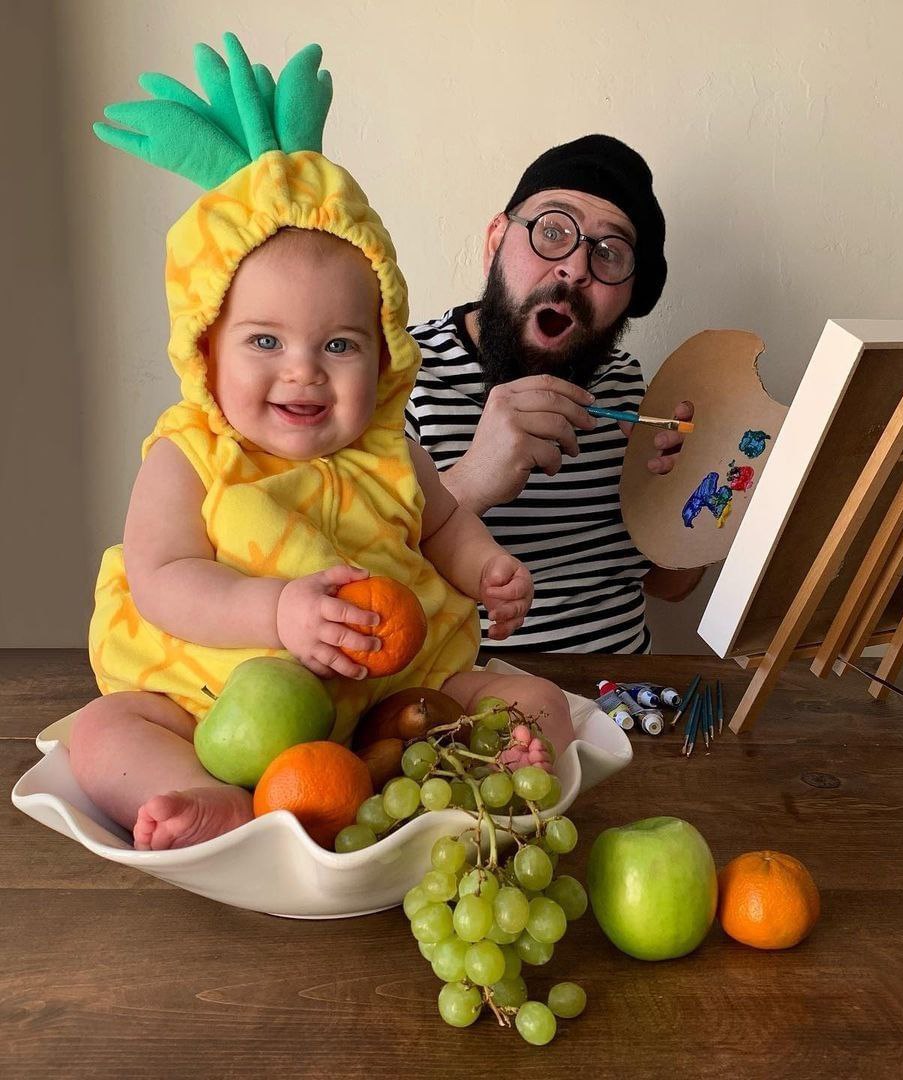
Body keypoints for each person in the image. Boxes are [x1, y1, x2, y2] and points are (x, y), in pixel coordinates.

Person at [68, 35, 570, 852]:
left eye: (339, 344)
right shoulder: (191, 454)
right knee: (101, 732)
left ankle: (481, 774)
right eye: (265, 341)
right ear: (207, 347)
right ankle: (206, 796)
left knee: (537, 702)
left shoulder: (390, 450)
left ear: (384, 353)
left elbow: (443, 523)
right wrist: (274, 611)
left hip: (396, 711)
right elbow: (160, 578)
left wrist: (486, 568)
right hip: (217, 706)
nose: (302, 371)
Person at [407, 134, 705, 653]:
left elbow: (670, 587)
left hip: (624, 695)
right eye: (552, 231)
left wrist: (689, 495)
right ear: (496, 241)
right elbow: (341, 585)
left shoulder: (627, 386)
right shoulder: (393, 377)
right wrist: (470, 482)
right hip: (465, 696)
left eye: (610, 253)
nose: (576, 268)